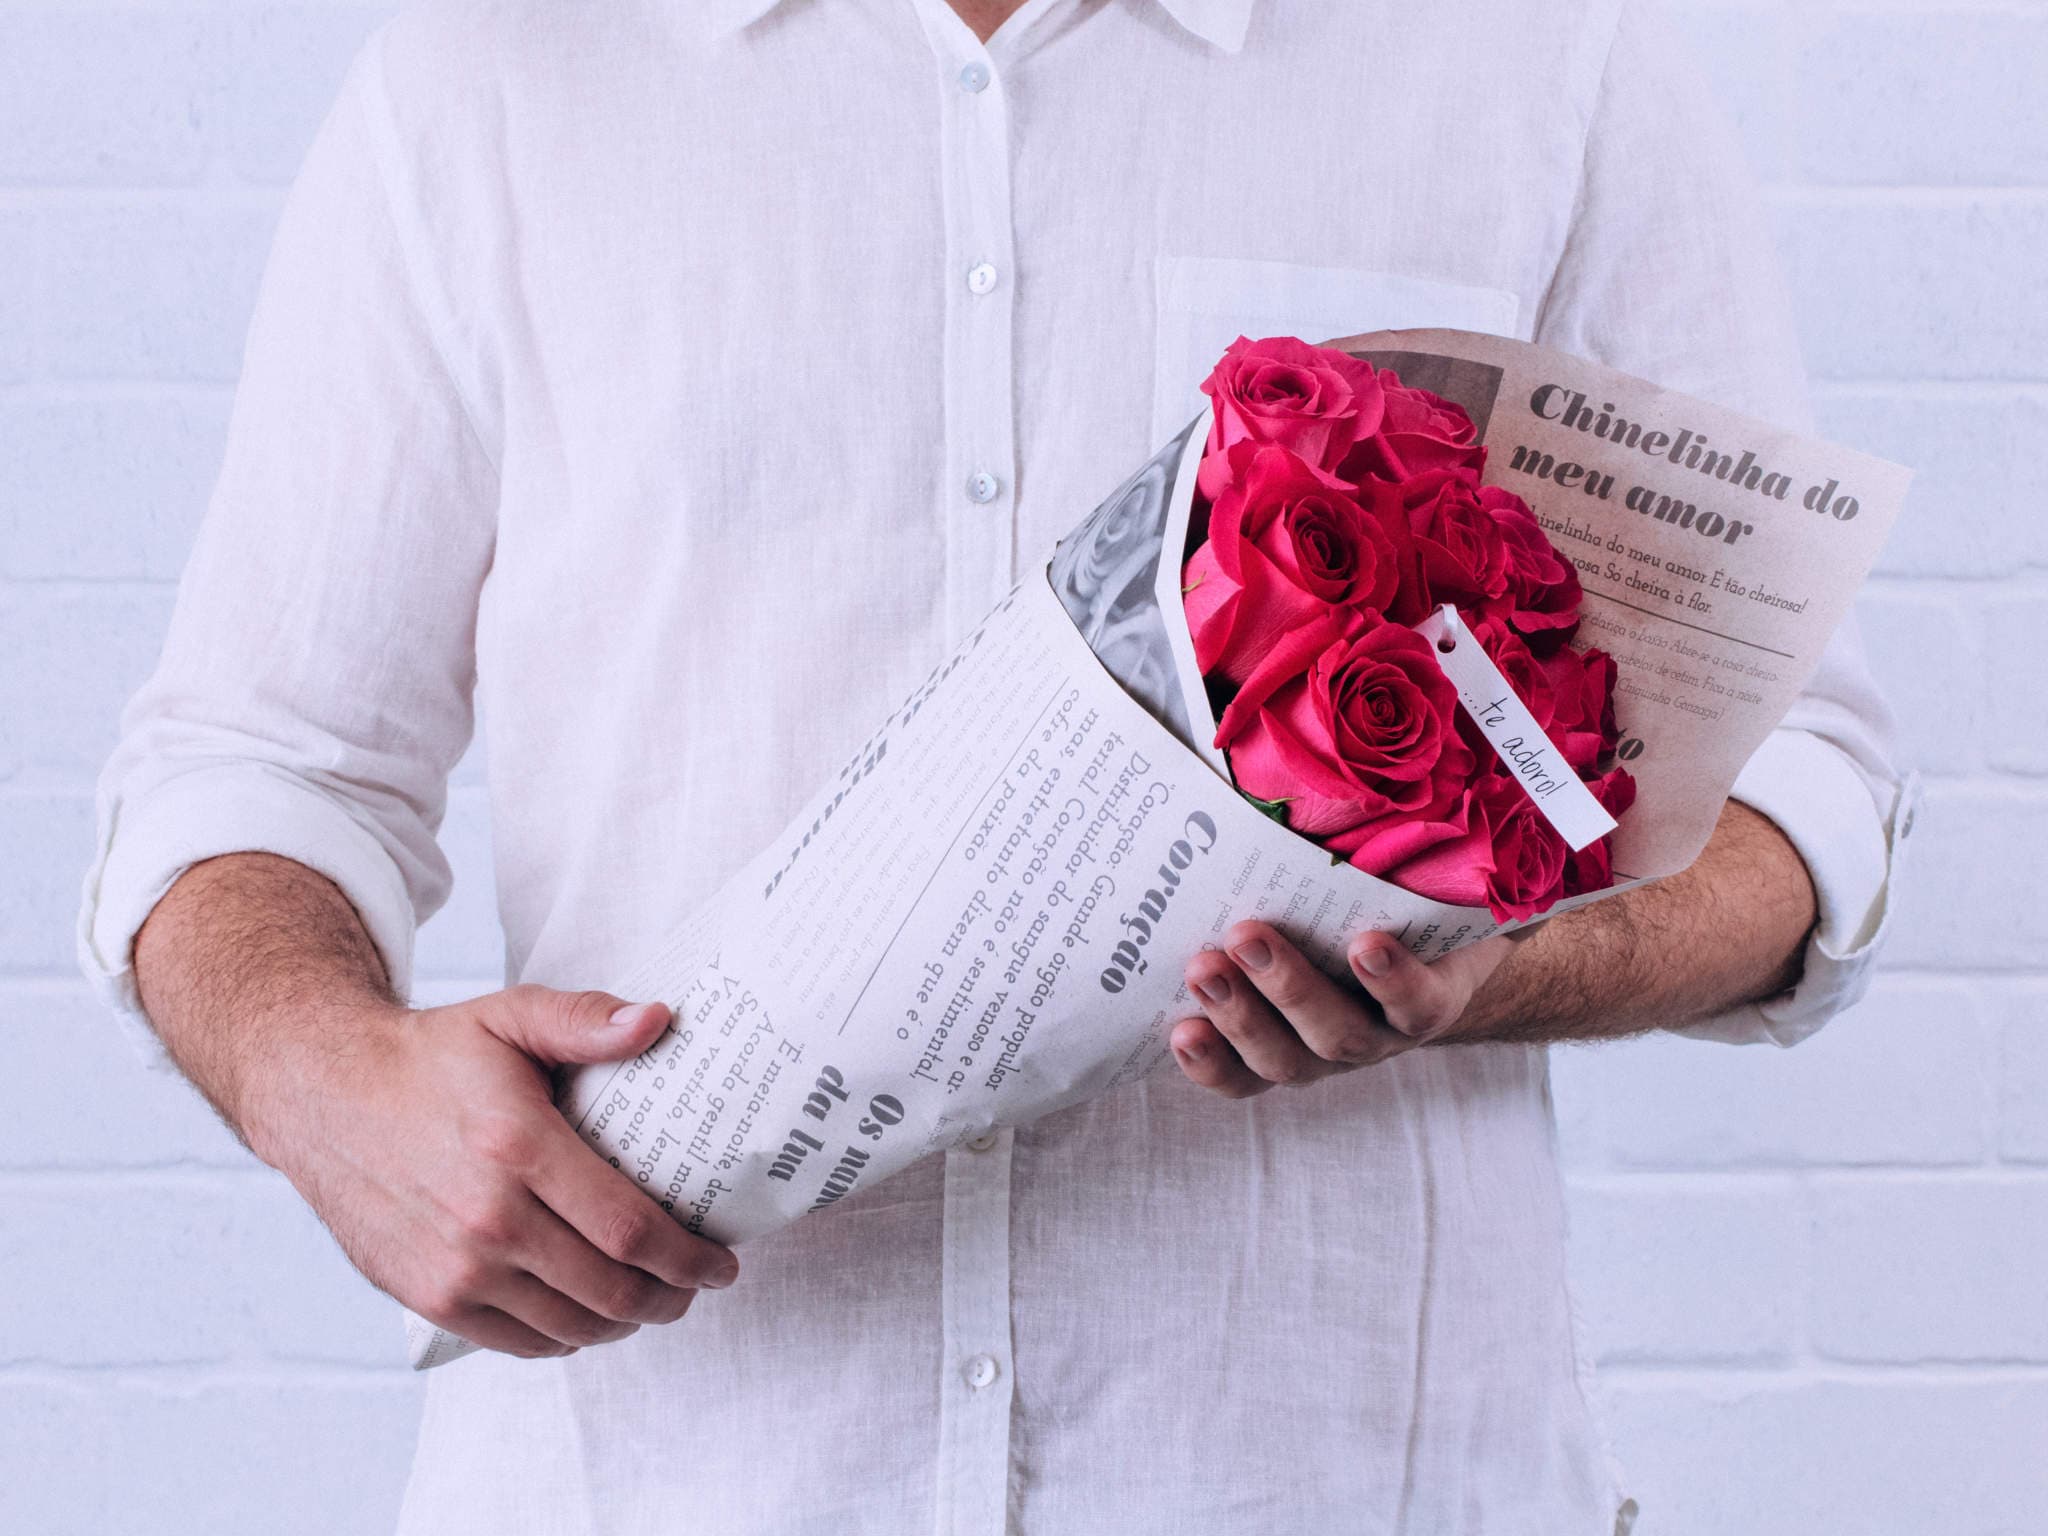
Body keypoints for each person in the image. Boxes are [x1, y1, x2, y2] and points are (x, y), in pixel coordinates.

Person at [80, 1, 1912, 1531]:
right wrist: (324, 1078)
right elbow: (260, 758)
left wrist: (1503, 966)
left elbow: (1802, 795)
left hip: (1352, 1482)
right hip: (657, 1480)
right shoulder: (496, 74)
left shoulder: (1536, 58)